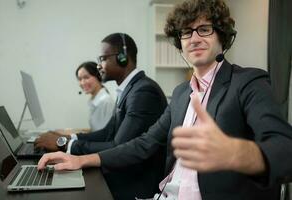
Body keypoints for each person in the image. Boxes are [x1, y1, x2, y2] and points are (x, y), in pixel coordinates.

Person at [37, 1, 292, 199]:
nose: (194, 38)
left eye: (204, 29)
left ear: (222, 37)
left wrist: (238, 153)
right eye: (186, 32)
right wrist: (80, 159)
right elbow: (143, 143)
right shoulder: (182, 93)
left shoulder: (248, 82)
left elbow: (285, 149)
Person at [35, 33, 168, 200]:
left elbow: (118, 145)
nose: (99, 66)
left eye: (103, 58)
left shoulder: (143, 91)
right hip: (126, 172)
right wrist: (68, 138)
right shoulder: (129, 89)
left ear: (123, 58)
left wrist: (65, 144)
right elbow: (106, 132)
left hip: (137, 183)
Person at [75, 61, 114, 132]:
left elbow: (106, 134)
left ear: (98, 76)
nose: (82, 83)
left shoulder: (106, 102)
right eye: (80, 79)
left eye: (86, 77)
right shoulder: (94, 100)